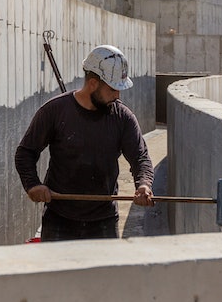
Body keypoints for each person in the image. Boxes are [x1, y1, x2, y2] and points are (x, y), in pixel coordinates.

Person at [15, 44, 154, 241]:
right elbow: (25, 153)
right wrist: (33, 185)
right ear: (93, 84)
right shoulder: (54, 111)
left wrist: (143, 185)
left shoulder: (122, 117)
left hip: (103, 221)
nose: (117, 95)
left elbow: (140, 158)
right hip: (59, 220)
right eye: (113, 89)